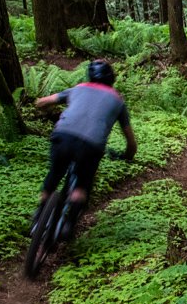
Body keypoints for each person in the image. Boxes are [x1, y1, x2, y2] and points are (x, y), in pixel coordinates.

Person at [32, 59, 137, 220]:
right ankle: (69, 222)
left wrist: (38, 105)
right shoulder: (117, 100)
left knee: (54, 175)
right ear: (111, 78)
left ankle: (40, 211)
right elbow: (130, 141)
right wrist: (128, 155)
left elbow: (44, 101)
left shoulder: (78, 88)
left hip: (62, 136)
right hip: (90, 145)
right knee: (81, 186)